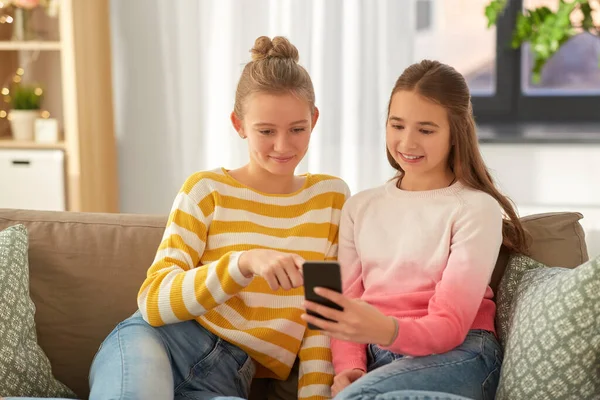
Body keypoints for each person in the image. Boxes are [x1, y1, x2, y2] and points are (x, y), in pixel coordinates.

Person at [86, 36, 350, 400]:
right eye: (266, 131)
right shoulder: (207, 190)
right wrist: (241, 264)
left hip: (228, 376)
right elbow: (153, 300)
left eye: (297, 129)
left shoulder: (331, 198)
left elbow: (323, 323)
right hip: (157, 343)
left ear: (314, 120)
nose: (283, 145)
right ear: (238, 124)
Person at [301, 60, 529, 400]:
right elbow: (345, 303)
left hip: (460, 355)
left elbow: (450, 326)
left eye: (426, 130)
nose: (407, 142)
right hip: (383, 359)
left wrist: (381, 328)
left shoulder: (475, 208)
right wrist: (352, 367)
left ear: (456, 132)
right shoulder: (359, 208)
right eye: (397, 125)